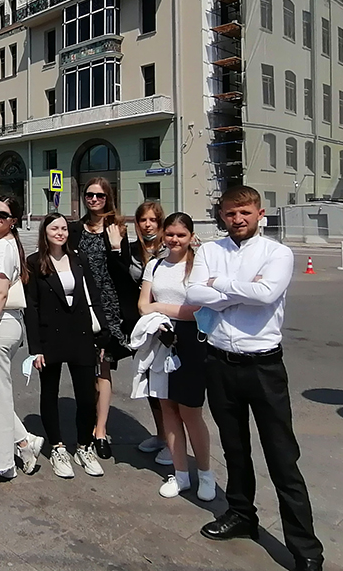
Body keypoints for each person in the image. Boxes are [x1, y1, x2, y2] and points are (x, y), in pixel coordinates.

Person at [186, 186, 323, 571]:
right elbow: (193, 293)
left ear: (259, 214)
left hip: (263, 366)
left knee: (282, 457)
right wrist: (240, 289)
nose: (238, 219)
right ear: (222, 215)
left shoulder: (277, 253)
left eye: (245, 212)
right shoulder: (210, 251)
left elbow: (265, 295)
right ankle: (241, 514)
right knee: (234, 447)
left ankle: (306, 548)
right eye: (230, 213)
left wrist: (219, 286)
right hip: (219, 362)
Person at [137, 212, 214, 501]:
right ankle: (180, 474)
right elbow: (142, 305)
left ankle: (205, 474)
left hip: (192, 342)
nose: (174, 240)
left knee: (191, 412)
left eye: (181, 235)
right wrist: (159, 311)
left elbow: (200, 312)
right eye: (170, 234)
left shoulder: (199, 268)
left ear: (191, 236)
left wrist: (159, 307)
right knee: (167, 408)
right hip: (160, 339)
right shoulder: (155, 265)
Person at [23, 213, 106, 478]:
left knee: (86, 395)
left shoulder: (78, 259)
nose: (60, 233)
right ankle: (57, 447)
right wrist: (35, 348)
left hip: (81, 333)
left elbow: (93, 295)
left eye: (64, 228)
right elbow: (31, 307)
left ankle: (84, 445)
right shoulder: (34, 262)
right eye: (54, 229)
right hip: (50, 337)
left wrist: (102, 334)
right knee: (49, 393)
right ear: (45, 233)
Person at [68, 177, 138, 460]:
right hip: (80, 304)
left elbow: (124, 271)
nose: (94, 200)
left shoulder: (116, 228)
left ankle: (100, 430)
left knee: (103, 367)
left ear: (108, 198)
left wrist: (117, 247)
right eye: (89, 195)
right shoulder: (75, 229)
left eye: (99, 195)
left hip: (107, 307)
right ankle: (86, 421)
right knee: (85, 367)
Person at [0, 196, 43, 480]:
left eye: (3, 214)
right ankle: (24, 441)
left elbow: (0, 292)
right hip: (5, 323)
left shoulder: (3, 247)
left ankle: (4, 463)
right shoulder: (7, 243)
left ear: (13, 221)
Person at [129, 201, 170, 462]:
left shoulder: (171, 248)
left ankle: (174, 442)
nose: (148, 225)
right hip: (144, 325)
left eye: (153, 220)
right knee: (150, 383)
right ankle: (161, 434)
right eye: (143, 220)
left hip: (168, 323)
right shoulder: (133, 250)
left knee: (169, 387)